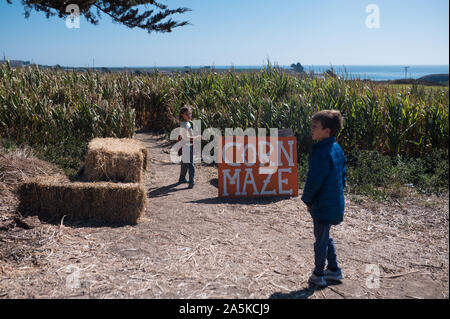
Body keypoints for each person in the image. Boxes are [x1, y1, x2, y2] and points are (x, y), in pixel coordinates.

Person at [301, 110, 347, 287]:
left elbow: (314, 181)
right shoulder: (336, 148)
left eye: (315, 127)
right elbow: (343, 176)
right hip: (334, 200)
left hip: (322, 203)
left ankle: (319, 274)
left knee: (320, 240)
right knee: (325, 235)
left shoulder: (321, 153)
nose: (311, 129)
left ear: (327, 131)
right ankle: (334, 270)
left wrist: (308, 200)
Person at [178, 106, 201, 189]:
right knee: (191, 164)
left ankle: (182, 178)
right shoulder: (184, 124)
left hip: (187, 145)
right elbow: (186, 137)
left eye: (190, 114)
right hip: (187, 145)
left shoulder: (187, 123)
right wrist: (196, 137)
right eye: (186, 114)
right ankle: (191, 182)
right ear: (182, 115)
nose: (189, 115)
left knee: (184, 163)